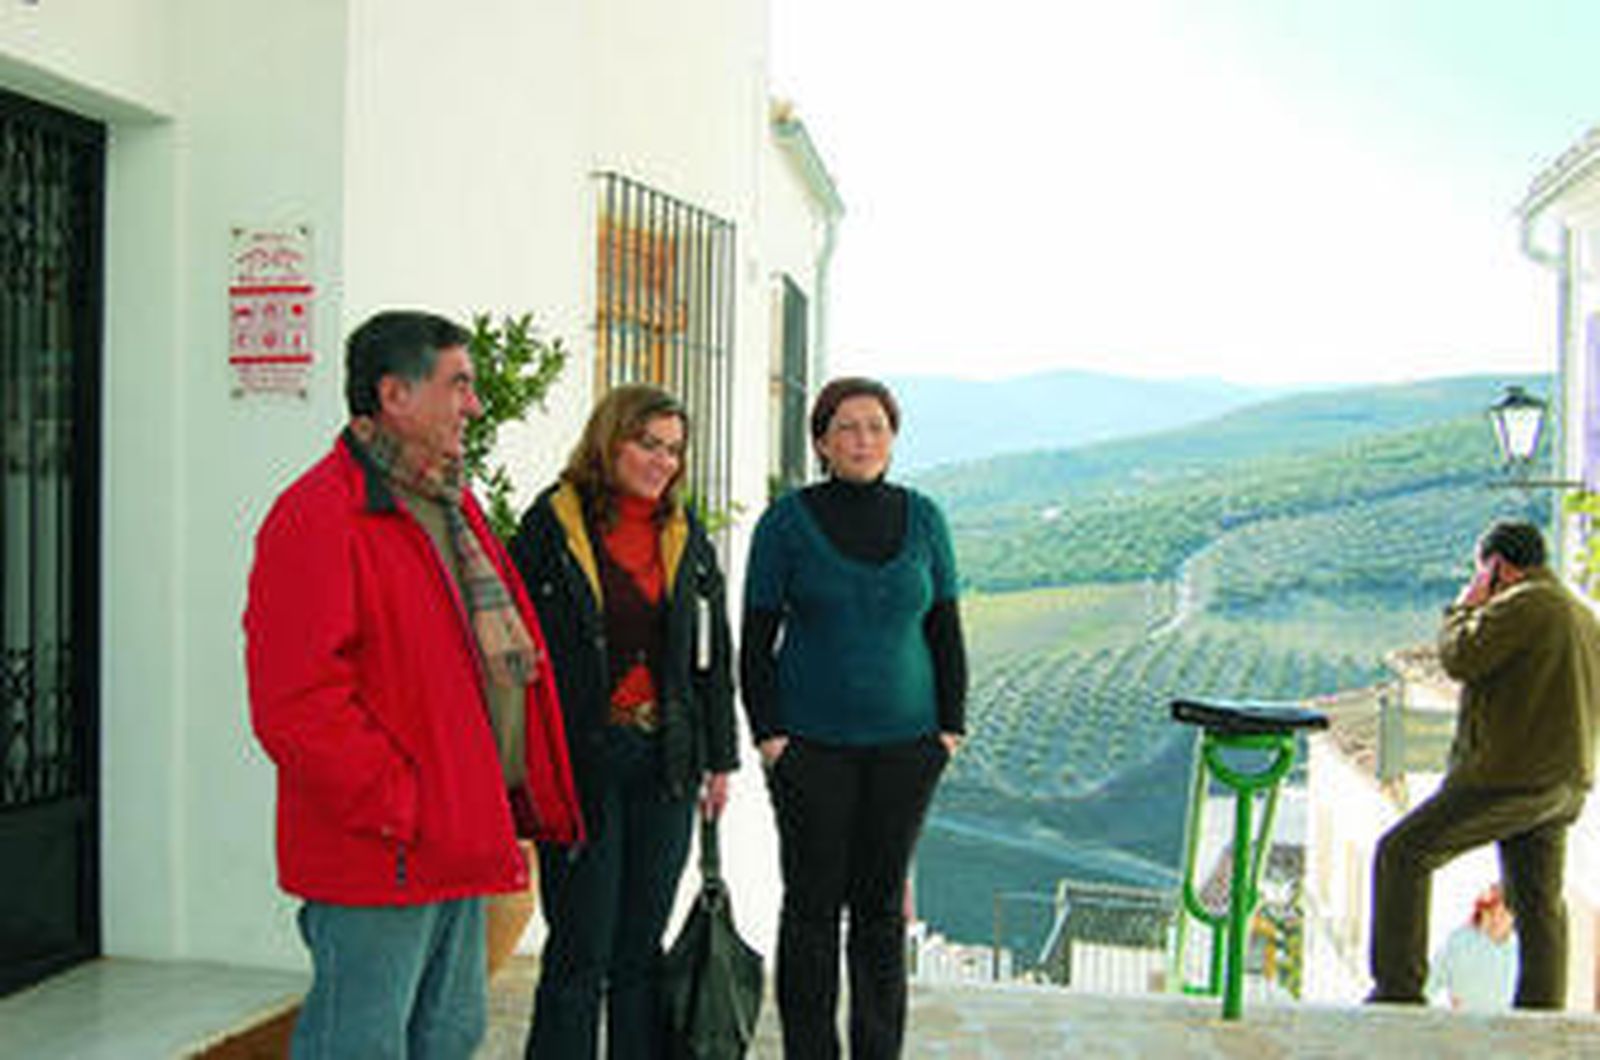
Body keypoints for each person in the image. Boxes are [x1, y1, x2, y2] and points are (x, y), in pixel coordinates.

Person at [244, 309, 584, 1059]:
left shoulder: (444, 504)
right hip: (385, 847)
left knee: (446, 1037)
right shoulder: (318, 517)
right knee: (359, 1044)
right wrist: (403, 802)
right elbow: (296, 704)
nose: (474, 403)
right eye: (458, 384)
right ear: (394, 394)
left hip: (454, 835)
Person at [508, 383, 738, 1060]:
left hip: (665, 762)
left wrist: (719, 759)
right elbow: (514, 650)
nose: (662, 461)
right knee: (581, 948)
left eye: (673, 449)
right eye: (647, 443)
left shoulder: (684, 532)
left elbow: (712, 656)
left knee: (639, 950)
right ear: (610, 440)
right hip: (580, 763)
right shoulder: (551, 525)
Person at [740, 376, 967, 1059]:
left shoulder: (925, 518)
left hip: (908, 748)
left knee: (879, 914)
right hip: (811, 749)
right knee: (811, 909)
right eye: (847, 427)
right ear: (821, 441)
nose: (863, 439)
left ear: (892, 439)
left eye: (876, 426)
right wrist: (772, 737)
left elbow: (946, 631)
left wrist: (948, 732)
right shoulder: (786, 523)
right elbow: (755, 642)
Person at [1368, 519, 1600, 1009]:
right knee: (1538, 903)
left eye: (1483, 572)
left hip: (1507, 777)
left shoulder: (1525, 603)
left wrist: (1463, 607)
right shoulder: (1582, 616)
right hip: (1565, 783)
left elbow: (1460, 657)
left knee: (1402, 854)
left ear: (1498, 566)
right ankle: (1541, 1014)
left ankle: (1398, 990)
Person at [1426, 884, 1518, 1012]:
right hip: (1462, 1023)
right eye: (1489, 912)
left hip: (1508, 1025)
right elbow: (1431, 985)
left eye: (1502, 914)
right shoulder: (1458, 941)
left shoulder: (1520, 948)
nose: (1495, 919)